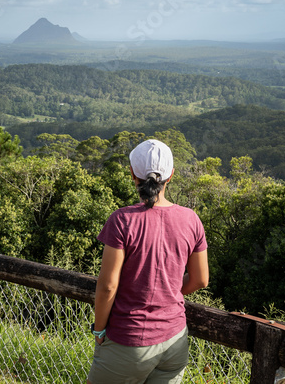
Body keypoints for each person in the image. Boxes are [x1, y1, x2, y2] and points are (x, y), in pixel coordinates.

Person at [87, 138, 209, 384]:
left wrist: (99, 330)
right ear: (171, 175)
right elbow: (201, 279)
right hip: (175, 341)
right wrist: (169, 292)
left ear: (133, 173)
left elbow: (108, 286)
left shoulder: (122, 220)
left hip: (129, 340)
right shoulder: (191, 219)